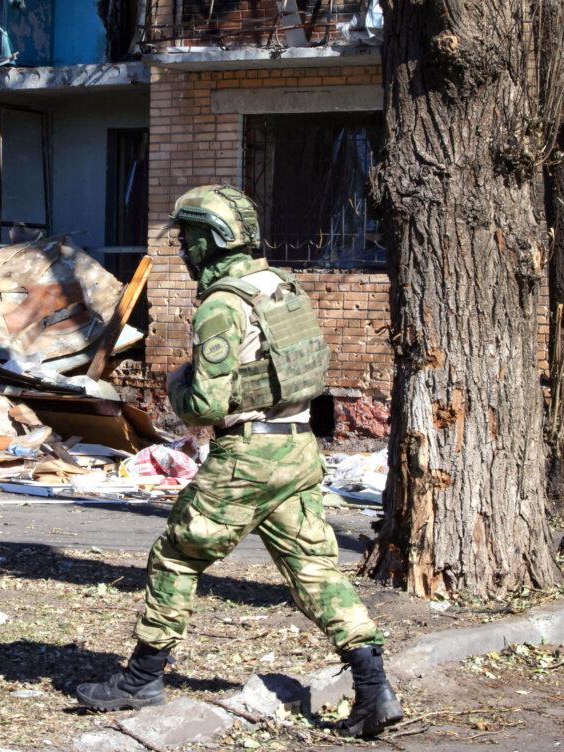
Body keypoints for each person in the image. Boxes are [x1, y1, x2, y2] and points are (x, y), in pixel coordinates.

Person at [75, 185, 402, 738]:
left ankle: (142, 677)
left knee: (176, 555)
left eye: (189, 236)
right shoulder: (278, 285)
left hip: (248, 455)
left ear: (215, 239)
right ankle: (373, 686)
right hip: (297, 448)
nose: (183, 247)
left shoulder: (222, 305)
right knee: (316, 571)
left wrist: (178, 384)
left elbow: (204, 406)